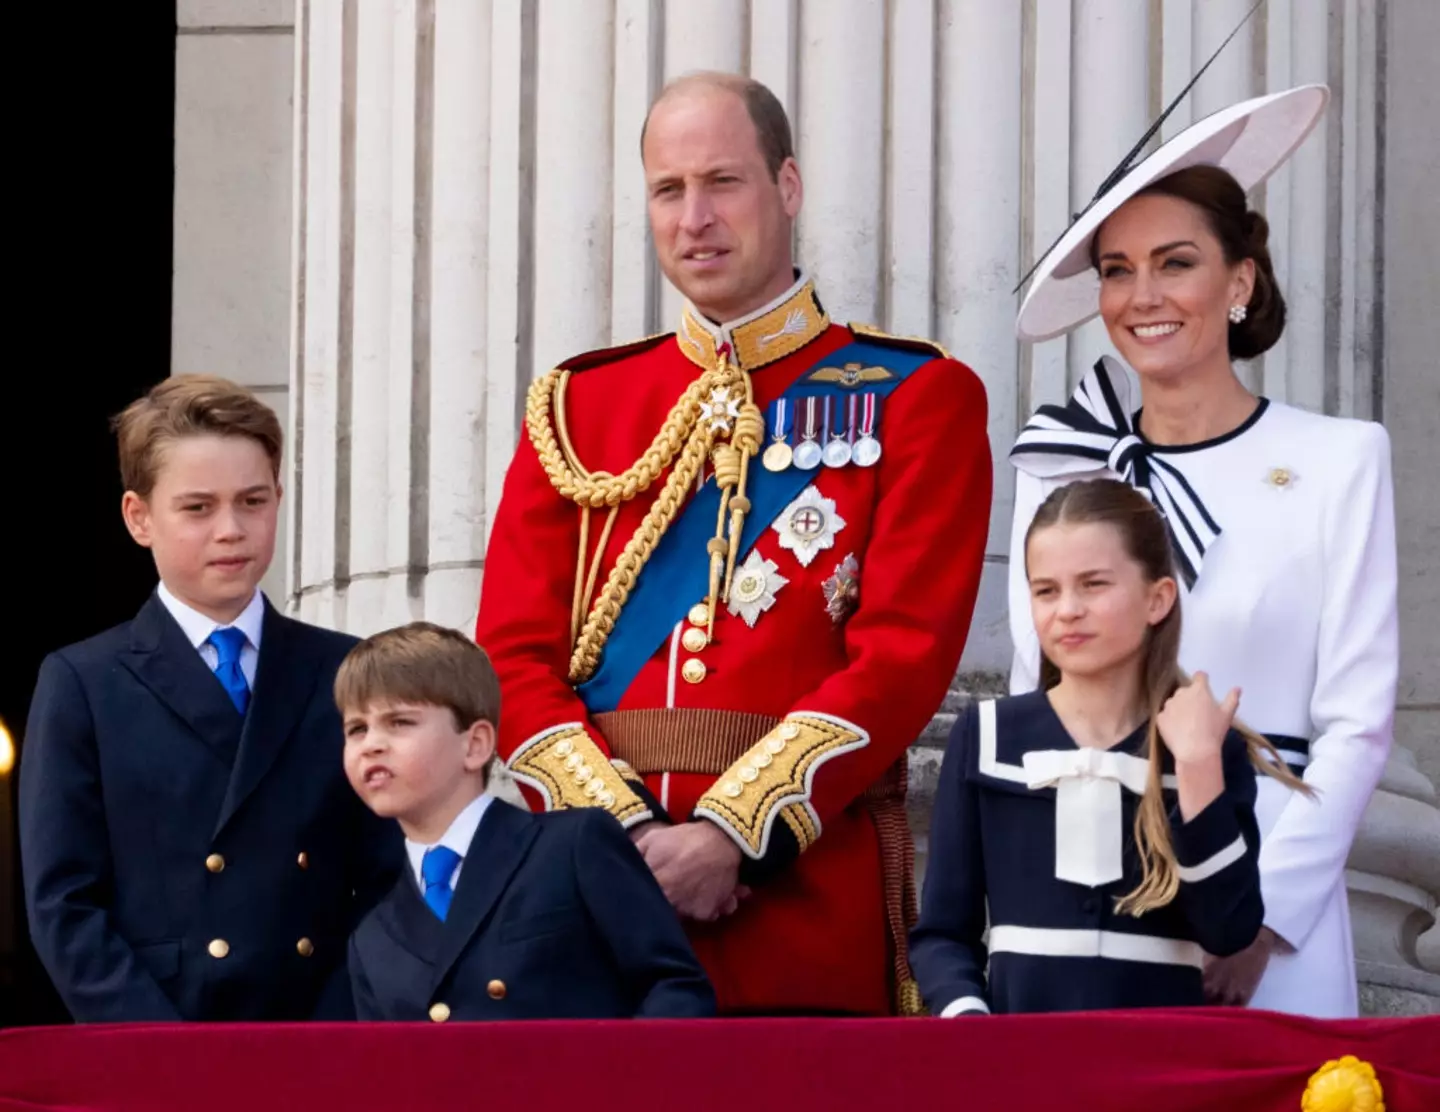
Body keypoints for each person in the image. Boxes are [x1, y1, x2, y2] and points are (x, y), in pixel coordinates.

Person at [474, 72, 992, 1016]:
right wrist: (623, 843)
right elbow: (512, 657)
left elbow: (903, 660)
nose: (695, 217)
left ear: (787, 187)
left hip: (802, 896)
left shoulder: (916, 395)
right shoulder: (578, 406)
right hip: (598, 907)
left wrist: (731, 835)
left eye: (724, 182)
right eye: (669, 191)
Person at [1007, 85, 1398, 1017]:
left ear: (1239, 282)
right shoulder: (1062, 462)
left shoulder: (1340, 458)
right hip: (1092, 883)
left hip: (1271, 882)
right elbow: (1038, 700)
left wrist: (1258, 921)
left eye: (1174, 263)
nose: (1141, 296)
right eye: (1116, 269)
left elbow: (1357, 725)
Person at [20, 375, 401, 1022]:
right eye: (198, 508)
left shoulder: (348, 670)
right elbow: (64, 905)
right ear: (139, 518)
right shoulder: (83, 682)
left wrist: (336, 1033)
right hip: (160, 1049)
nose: (231, 529)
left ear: (279, 500)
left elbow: (394, 879)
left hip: (322, 1042)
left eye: (252, 501)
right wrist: (163, 1058)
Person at [912, 479, 1307, 1014]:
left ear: (1157, 598)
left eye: (1094, 585)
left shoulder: (1209, 746)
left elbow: (1229, 930)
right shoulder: (985, 735)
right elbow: (941, 934)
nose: (1067, 609)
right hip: (1018, 1069)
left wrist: (1196, 769)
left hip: (1160, 1071)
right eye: (1046, 590)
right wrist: (970, 1026)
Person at [339, 622, 715, 1021]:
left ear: (476, 744)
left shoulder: (572, 847)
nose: (372, 744)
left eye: (400, 723)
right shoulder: (372, 937)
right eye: (356, 729)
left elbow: (673, 990)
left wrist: (617, 1081)